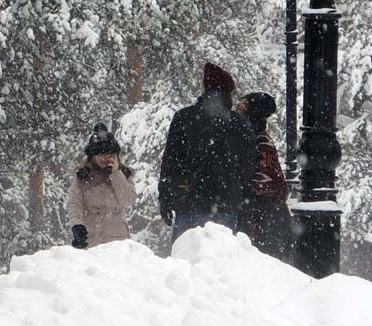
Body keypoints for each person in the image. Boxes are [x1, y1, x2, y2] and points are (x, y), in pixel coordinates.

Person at [158, 62, 256, 242]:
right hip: (225, 203)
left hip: (189, 201)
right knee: (221, 262)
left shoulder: (184, 118)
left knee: (185, 259)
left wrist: (165, 196)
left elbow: (170, 161)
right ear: (226, 93)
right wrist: (240, 197)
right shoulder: (239, 124)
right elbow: (247, 168)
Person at [235, 92, 294, 262]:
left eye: (242, 105)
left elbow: (267, 183)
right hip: (267, 220)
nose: (237, 108)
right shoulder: (255, 137)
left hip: (263, 223)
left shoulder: (257, 141)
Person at [67, 123, 137, 248]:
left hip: (118, 239)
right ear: (92, 157)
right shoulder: (83, 177)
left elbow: (128, 200)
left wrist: (116, 174)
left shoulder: (125, 174)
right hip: (91, 237)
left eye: (109, 154)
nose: (105, 158)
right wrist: (77, 225)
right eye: (100, 154)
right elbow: (74, 203)